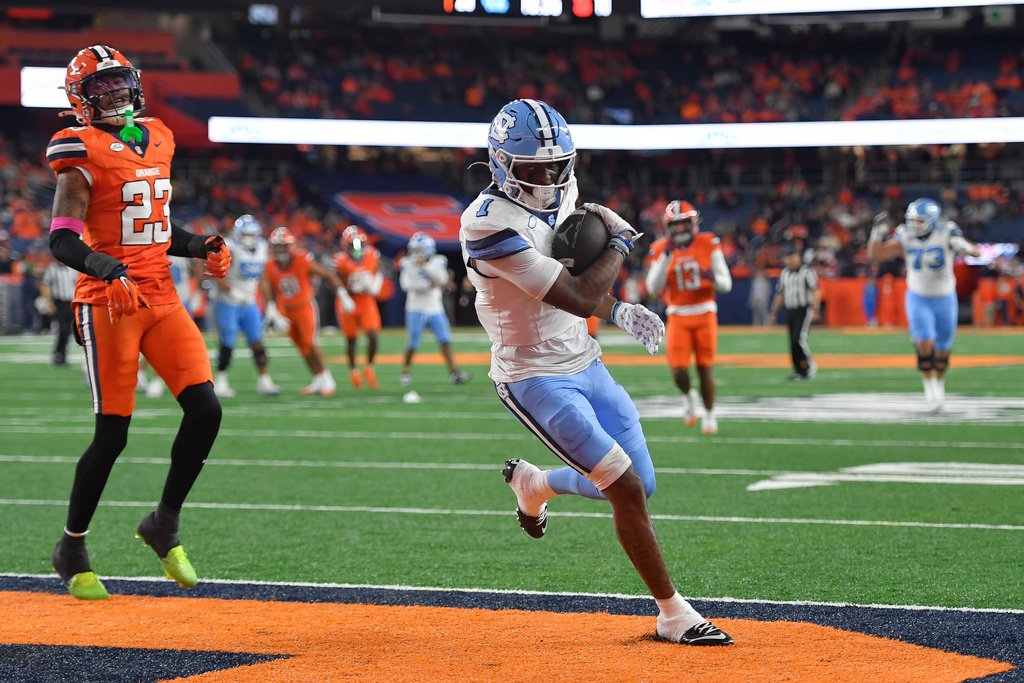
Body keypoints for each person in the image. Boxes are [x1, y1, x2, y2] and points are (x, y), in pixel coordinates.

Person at [460, 98, 732, 646]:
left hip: (586, 359)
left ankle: (535, 483)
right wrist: (620, 242)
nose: (548, 178)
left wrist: (618, 310)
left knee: (641, 483)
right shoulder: (485, 223)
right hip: (533, 376)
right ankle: (673, 613)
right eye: (533, 169)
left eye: (556, 166)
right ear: (499, 164)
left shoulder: (568, 198)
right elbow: (579, 290)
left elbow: (580, 293)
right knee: (625, 486)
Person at [46, 45, 231, 600]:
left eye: (120, 81)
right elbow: (61, 238)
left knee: (206, 409)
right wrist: (104, 267)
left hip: (161, 296)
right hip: (108, 302)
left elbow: (153, 226)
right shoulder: (78, 151)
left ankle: (163, 523)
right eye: (101, 86)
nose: (115, 92)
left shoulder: (158, 136)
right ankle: (72, 545)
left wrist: (198, 244)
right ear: (81, 98)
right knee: (113, 434)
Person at [867, 198, 980, 411]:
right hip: (918, 297)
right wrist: (876, 234)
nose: (914, 225)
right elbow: (876, 255)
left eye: (919, 221)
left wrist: (963, 246)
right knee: (924, 344)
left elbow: (977, 252)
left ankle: (940, 383)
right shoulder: (905, 233)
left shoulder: (948, 231)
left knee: (943, 349)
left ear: (931, 220)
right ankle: (930, 389)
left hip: (945, 297)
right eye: (912, 220)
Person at [645, 200, 732, 435]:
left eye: (683, 224)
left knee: (705, 368)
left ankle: (710, 413)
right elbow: (652, 288)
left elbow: (726, 283)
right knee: (678, 370)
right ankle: (688, 395)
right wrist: (665, 258)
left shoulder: (709, 242)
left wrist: (712, 277)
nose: (679, 230)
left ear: (693, 223)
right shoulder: (661, 248)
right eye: (675, 225)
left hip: (704, 312)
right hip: (677, 314)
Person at [261, 226, 345, 396]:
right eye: (277, 246)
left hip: (304, 306)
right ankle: (317, 378)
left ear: (290, 246)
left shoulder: (302, 259)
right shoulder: (270, 265)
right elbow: (266, 284)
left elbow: (328, 275)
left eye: (282, 246)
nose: (280, 250)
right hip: (287, 310)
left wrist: (343, 295)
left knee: (310, 342)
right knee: (301, 347)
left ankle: (327, 378)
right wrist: (271, 308)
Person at [209, 214, 280, 398]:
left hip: (249, 301)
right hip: (227, 301)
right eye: (245, 234)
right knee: (228, 340)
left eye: (251, 235)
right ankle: (221, 380)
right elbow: (214, 272)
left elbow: (262, 277)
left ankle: (264, 381)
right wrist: (232, 291)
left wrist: (270, 304)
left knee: (257, 340)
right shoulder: (228, 247)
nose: (248, 238)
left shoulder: (262, 247)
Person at [398, 232, 471, 386]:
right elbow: (407, 285)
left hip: (435, 308)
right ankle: (405, 372)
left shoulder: (438, 261)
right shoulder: (407, 262)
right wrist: (427, 285)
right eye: (414, 249)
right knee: (412, 343)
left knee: (445, 340)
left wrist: (424, 266)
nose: (416, 253)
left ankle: (454, 372)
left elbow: (442, 280)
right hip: (415, 307)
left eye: (419, 249)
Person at [333, 226, 383, 389]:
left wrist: (375, 284)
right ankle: (354, 371)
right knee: (351, 339)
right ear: (344, 246)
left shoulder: (371, 255)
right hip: (349, 301)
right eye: (352, 245)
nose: (357, 249)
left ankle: (369, 368)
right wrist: (345, 294)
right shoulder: (339, 260)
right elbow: (335, 281)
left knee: (373, 335)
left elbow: (378, 271)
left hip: (366, 299)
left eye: (359, 245)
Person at [768, 243, 820, 381]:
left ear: (797, 257)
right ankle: (799, 370)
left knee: (799, 339)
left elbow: (815, 291)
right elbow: (780, 293)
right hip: (790, 310)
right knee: (792, 341)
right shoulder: (784, 273)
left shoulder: (807, 272)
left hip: (803, 309)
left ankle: (810, 366)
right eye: (786, 257)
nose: (787, 260)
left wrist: (815, 309)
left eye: (790, 257)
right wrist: (774, 311)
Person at [40, 258, 78, 366]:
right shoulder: (52, 268)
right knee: (63, 329)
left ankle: (61, 354)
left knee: (68, 330)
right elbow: (45, 285)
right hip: (59, 303)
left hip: (70, 303)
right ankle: (60, 353)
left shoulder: (73, 268)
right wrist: (48, 302)